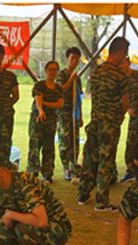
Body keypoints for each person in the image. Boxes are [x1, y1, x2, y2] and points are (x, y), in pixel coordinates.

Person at [77, 36, 130, 213]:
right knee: (105, 161)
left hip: (95, 122)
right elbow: (125, 101)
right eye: (125, 54)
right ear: (120, 51)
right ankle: (101, 201)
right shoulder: (121, 75)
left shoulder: (97, 71)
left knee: (90, 159)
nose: (125, 58)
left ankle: (83, 194)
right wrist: (119, 116)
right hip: (110, 124)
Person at [28, 60, 65, 182]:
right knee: (34, 147)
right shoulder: (39, 85)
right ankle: (32, 173)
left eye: (55, 70)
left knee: (49, 148)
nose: (52, 72)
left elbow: (59, 104)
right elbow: (38, 99)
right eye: (50, 69)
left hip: (51, 122)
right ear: (45, 71)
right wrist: (41, 110)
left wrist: (45, 103)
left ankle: (47, 173)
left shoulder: (58, 88)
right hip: (37, 121)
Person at [56, 47, 83, 180]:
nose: (75, 61)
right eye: (72, 58)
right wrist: (71, 79)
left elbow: (79, 98)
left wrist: (80, 116)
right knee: (65, 141)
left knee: (75, 141)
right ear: (67, 59)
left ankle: (74, 166)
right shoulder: (61, 75)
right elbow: (60, 91)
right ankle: (66, 167)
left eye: (77, 59)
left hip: (75, 114)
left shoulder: (77, 78)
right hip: (64, 114)